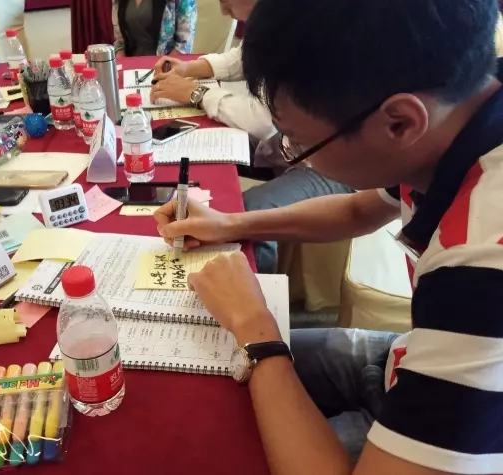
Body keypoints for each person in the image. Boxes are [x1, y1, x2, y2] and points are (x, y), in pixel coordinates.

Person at [154, 0, 503, 473]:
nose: (293, 152)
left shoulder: (480, 266)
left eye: (298, 142)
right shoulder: (457, 115)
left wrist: (255, 329)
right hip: (404, 359)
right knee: (202, 383)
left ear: (400, 122)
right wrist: (229, 223)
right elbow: (361, 208)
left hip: (467, 425)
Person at [150, 0, 352, 273]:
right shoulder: (275, 19)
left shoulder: (307, 23)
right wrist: (191, 69)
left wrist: (197, 94)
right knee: (201, 144)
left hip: (330, 165)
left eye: (226, 0)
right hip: (293, 145)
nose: (223, 12)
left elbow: (265, 122)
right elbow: (243, 58)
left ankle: (256, 290)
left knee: (247, 214)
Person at [112, 0, 196, 57]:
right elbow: (120, 41)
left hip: (166, 66)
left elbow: (184, 45)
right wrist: (123, 64)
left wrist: (165, 67)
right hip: (131, 67)